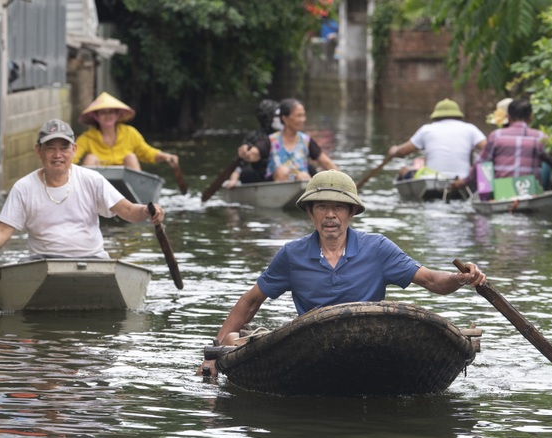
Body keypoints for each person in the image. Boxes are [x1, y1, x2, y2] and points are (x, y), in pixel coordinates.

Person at [197, 170, 487, 376]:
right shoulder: (292, 255)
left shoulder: (377, 248)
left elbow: (432, 280)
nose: (330, 215)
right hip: (313, 350)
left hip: (373, 345)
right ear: (310, 213)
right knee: (239, 338)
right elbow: (251, 300)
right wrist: (216, 352)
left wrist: (461, 278)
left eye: (338, 207)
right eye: (322, 206)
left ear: (351, 213)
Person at [0, 119, 165, 268]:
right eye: (50, 148)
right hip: (42, 263)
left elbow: (128, 210)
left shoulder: (91, 180)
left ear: (74, 150)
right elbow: (3, 231)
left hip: (92, 260)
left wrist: (148, 211)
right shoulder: (24, 187)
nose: (57, 155)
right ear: (38, 151)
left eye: (64, 148)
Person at [387, 98, 487, 195]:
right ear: (458, 116)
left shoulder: (427, 130)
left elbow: (402, 152)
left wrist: (394, 151)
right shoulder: (470, 129)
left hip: (431, 182)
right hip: (463, 180)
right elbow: (488, 149)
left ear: (435, 116)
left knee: (404, 170)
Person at [73, 92, 179, 172]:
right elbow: (73, 155)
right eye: (103, 113)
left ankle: (137, 199)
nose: (108, 116)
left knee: (131, 157)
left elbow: (146, 152)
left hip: (126, 181)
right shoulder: (87, 137)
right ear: (96, 116)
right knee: (91, 158)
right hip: (99, 181)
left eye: (111, 112)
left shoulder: (130, 133)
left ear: (118, 114)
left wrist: (166, 157)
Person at [472, 97, 552, 190]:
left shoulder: (496, 135)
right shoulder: (540, 137)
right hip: (530, 190)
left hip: (503, 191)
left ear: (508, 117)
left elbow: (480, 163)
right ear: (531, 117)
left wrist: (464, 181)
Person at [266, 98, 338, 181]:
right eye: (299, 116)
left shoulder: (306, 140)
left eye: (303, 115)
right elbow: (254, 154)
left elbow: (326, 163)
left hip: (302, 186)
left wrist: (344, 180)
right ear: (285, 118)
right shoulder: (271, 140)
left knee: (303, 176)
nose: (303, 120)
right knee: (282, 171)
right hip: (277, 186)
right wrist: (249, 154)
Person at [225, 99, 281, 189]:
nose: (280, 118)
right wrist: (233, 180)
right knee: (246, 171)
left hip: (284, 171)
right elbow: (241, 162)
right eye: (276, 116)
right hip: (261, 173)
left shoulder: (285, 134)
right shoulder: (254, 136)